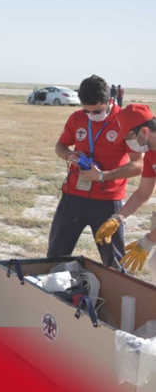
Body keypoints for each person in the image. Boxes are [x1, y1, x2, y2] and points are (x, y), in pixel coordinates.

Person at [47, 75, 143, 270]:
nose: (91, 115)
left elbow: (138, 165)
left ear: (110, 100)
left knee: (114, 262)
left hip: (107, 201)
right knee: (55, 255)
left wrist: (101, 176)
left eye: (97, 111)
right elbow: (60, 146)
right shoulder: (76, 118)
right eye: (87, 111)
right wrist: (70, 155)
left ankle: (116, 290)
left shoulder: (125, 122)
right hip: (73, 196)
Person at [94, 104, 156, 272]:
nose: (127, 142)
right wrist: (117, 218)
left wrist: (148, 240)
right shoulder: (150, 154)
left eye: (128, 136)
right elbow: (143, 193)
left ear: (144, 131)